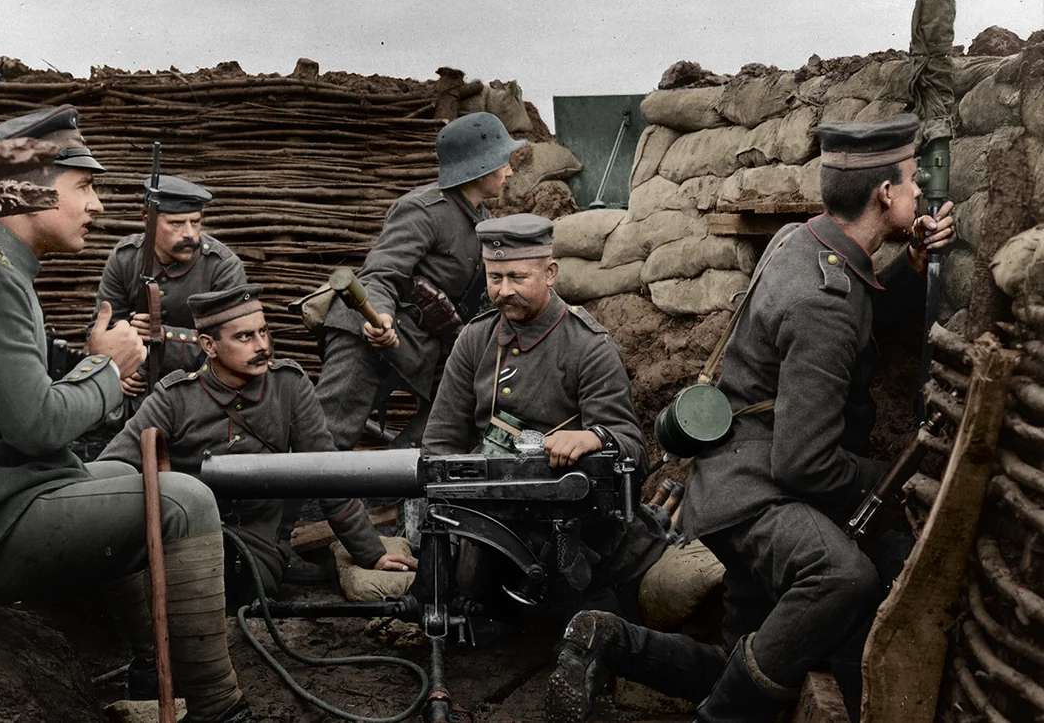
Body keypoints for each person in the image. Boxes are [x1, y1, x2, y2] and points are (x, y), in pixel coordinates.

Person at [544, 114, 957, 723]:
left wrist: (913, 260)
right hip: (758, 491)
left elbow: (860, 303)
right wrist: (892, 488)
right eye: (910, 180)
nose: (921, 191)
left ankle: (614, 640)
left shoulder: (800, 240)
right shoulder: (824, 301)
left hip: (729, 475)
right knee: (844, 579)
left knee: (757, 659)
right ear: (885, 194)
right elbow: (806, 461)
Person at [0, 105, 255, 723]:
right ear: (23, 191)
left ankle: (154, 674)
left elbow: (26, 382)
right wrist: (104, 367)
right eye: (84, 186)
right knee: (186, 502)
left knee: (133, 481)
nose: (97, 205)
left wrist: (93, 362)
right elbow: (37, 424)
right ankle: (216, 711)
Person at [97, 284, 417, 608]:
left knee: (218, 587)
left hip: (255, 551)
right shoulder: (175, 398)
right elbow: (117, 464)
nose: (262, 345)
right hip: (186, 540)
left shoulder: (288, 387)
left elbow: (327, 473)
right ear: (209, 345)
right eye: (244, 337)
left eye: (263, 332)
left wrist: (372, 552)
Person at [421, 213, 667, 616]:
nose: (503, 291)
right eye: (494, 277)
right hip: (493, 519)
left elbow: (632, 449)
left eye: (518, 278)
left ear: (550, 272)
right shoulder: (475, 340)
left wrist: (595, 438)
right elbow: (441, 442)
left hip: (572, 528)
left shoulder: (588, 347)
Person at [314, 112, 526, 450]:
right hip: (368, 333)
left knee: (452, 421)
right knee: (329, 436)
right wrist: (379, 316)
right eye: (503, 163)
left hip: (422, 347)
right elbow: (380, 274)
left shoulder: (483, 221)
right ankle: (305, 502)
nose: (509, 171)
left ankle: (389, 497)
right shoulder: (423, 211)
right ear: (480, 167)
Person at [89, 174, 246, 402]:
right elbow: (100, 330)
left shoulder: (222, 266)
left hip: (201, 390)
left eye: (196, 222)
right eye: (177, 223)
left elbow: (232, 345)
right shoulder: (125, 258)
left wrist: (164, 336)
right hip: (136, 391)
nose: (190, 234)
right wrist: (115, 370)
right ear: (147, 220)